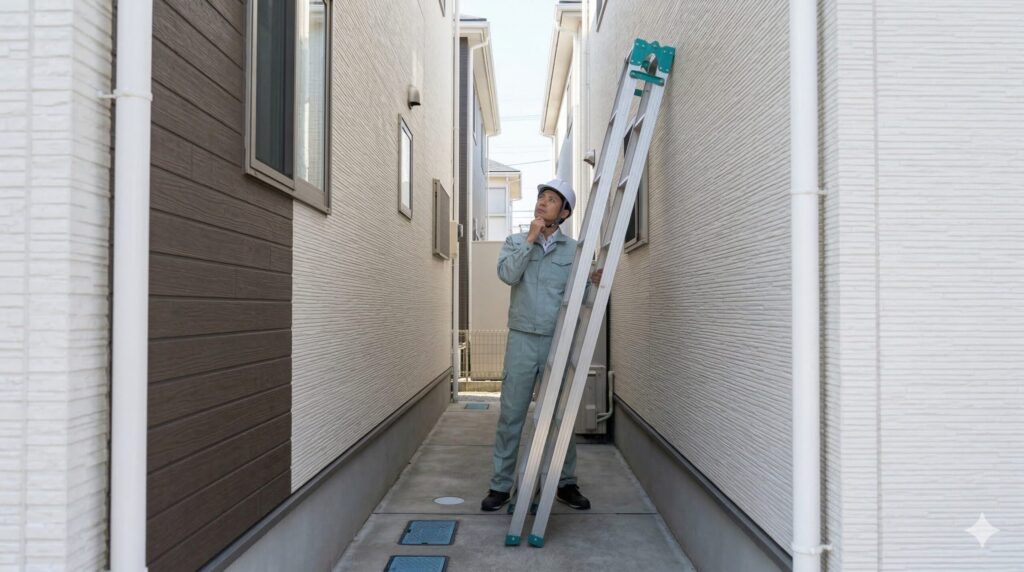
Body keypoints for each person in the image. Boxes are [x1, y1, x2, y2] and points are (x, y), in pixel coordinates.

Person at [480, 178, 603, 512]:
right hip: (521, 339)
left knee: (559, 415)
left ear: (564, 212)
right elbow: (508, 275)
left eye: (551, 199)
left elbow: (581, 297)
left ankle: (565, 482)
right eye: (541, 197)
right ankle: (500, 485)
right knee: (511, 415)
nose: (542, 203)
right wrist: (530, 240)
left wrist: (593, 282)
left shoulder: (574, 250)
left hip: (556, 340)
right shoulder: (515, 241)